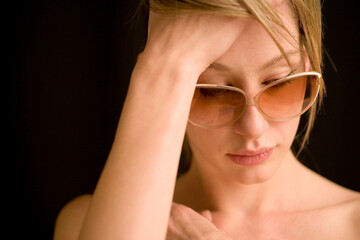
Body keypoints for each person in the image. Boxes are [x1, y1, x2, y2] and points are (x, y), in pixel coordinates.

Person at [53, 0, 360, 239]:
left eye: (280, 84)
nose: (253, 127)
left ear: (309, 66)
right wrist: (166, 63)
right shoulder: (88, 226)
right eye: (213, 92)